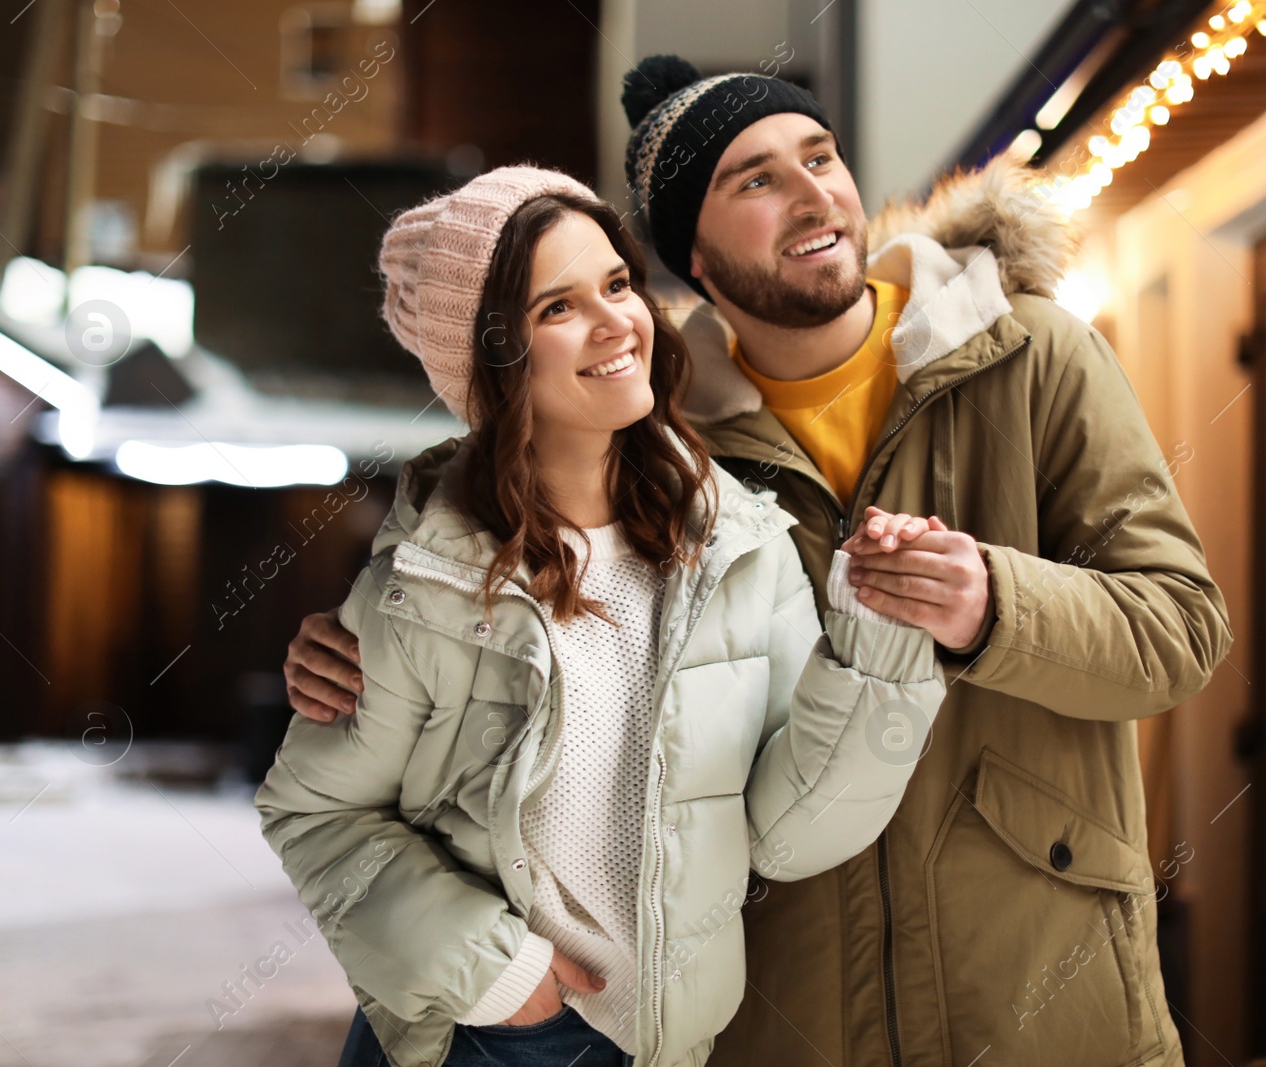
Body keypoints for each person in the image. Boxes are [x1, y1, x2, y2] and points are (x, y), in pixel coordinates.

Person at [291, 58, 1234, 1067]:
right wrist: (357, 638)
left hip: (1035, 983)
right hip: (789, 1006)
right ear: (689, 253)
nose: (814, 192)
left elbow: (1178, 630)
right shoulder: (661, 451)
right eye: (755, 178)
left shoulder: (1030, 352)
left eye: (819, 157)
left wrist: (994, 601)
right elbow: (502, 517)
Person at [254, 165, 947, 1067]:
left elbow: (787, 833)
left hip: (661, 1041)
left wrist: (880, 639)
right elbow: (315, 815)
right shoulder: (426, 586)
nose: (619, 321)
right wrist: (495, 976)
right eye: (557, 308)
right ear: (494, 362)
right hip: (483, 1032)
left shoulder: (739, 545)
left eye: (617, 283)